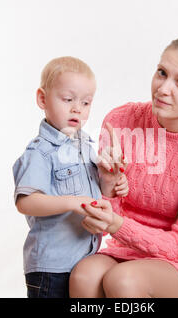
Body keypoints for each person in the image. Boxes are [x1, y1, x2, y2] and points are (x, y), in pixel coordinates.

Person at [69, 36, 178, 298]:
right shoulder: (121, 121)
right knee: (84, 275)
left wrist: (117, 224)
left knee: (124, 281)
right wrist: (106, 185)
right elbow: (107, 218)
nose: (163, 88)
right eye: (162, 73)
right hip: (125, 248)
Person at [12, 56, 128, 298]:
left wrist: (110, 182)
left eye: (86, 103)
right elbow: (26, 202)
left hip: (84, 262)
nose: (78, 108)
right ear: (42, 99)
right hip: (51, 267)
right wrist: (71, 202)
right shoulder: (40, 152)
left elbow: (96, 197)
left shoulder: (85, 145)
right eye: (68, 100)